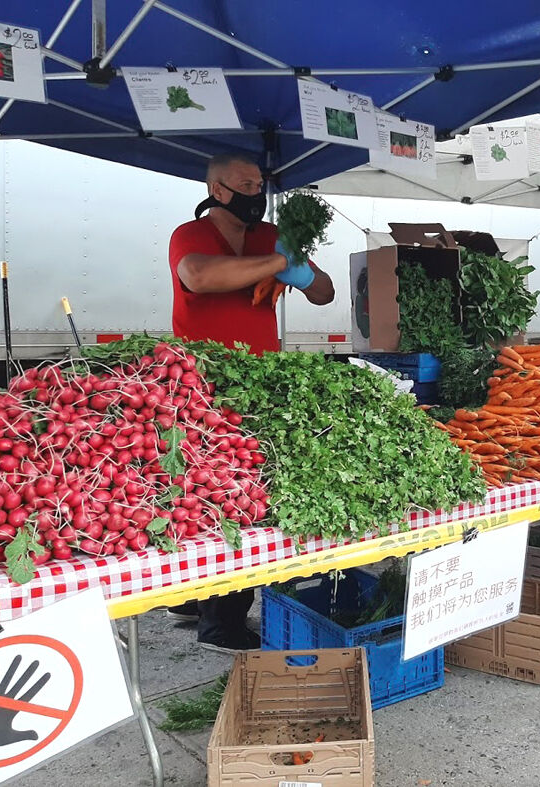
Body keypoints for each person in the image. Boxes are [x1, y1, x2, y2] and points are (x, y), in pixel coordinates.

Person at [165, 151, 335, 652]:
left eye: (260, 183)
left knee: (244, 494)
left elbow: (324, 293)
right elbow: (198, 276)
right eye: (246, 183)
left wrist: (300, 269)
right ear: (219, 190)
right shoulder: (190, 235)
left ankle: (205, 606)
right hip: (201, 383)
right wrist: (281, 263)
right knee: (208, 495)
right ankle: (214, 620)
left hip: (261, 385)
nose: (257, 192)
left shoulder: (270, 238)